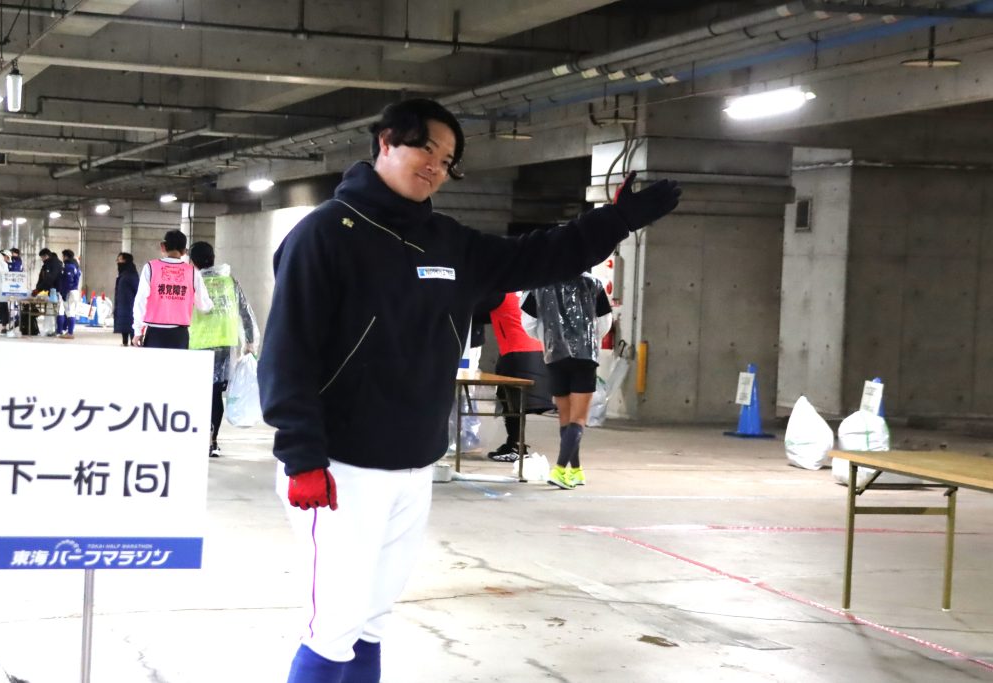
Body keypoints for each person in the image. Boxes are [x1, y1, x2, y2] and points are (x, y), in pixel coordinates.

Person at [257, 97, 680, 683]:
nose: (436, 165)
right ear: (386, 142)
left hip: (414, 463)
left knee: (372, 621)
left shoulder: (448, 241)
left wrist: (616, 220)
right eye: (426, 148)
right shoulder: (327, 233)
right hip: (339, 466)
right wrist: (301, 454)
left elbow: (540, 255)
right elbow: (288, 352)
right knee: (333, 626)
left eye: (448, 159)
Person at [521, 273, 612, 489]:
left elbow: (529, 322)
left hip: (555, 355)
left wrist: (550, 337)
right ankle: (560, 470)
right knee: (578, 419)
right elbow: (604, 323)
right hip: (585, 356)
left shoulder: (540, 283)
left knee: (565, 418)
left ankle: (576, 470)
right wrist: (586, 337)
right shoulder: (594, 284)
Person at [188, 241, 260, 457]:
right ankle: (212, 441)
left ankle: (196, 436)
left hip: (197, 343)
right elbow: (245, 311)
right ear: (212, 258)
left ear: (192, 261)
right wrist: (250, 341)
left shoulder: (192, 281)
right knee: (215, 394)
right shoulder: (229, 281)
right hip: (224, 344)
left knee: (197, 393)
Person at [476, 291, 554, 462]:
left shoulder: (499, 294)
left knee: (512, 404)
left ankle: (515, 446)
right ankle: (515, 444)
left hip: (516, 352)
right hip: (538, 351)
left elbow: (476, 312)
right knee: (515, 403)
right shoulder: (526, 292)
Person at [131, 229, 212, 349]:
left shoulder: (150, 268)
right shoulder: (193, 272)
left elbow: (140, 301)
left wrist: (138, 331)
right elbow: (204, 306)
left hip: (154, 333)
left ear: (163, 246)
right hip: (179, 334)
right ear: (184, 251)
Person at [113, 252, 139, 346]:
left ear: (126, 261)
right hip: (122, 304)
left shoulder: (131, 274)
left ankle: (133, 341)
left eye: (120, 259)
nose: (118, 262)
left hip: (130, 304)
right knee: (124, 322)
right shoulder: (123, 274)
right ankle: (124, 341)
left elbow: (137, 289)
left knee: (130, 322)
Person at [56, 248, 82, 339]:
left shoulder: (69, 267)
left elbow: (68, 281)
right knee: (71, 312)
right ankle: (69, 331)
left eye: (63, 256)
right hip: (74, 291)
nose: (62, 258)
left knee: (69, 312)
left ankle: (70, 333)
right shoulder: (75, 266)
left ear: (66, 256)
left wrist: (64, 292)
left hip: (70, 291)